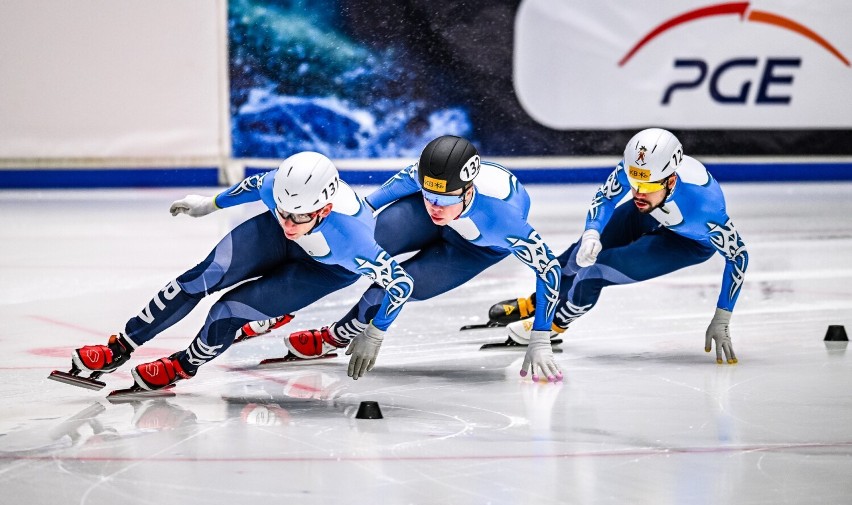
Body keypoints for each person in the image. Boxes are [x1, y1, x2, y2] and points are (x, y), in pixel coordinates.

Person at [66, 151, 414, 392]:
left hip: (324, 269)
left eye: (299, 217)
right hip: (276, 240)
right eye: (283, 211)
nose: (290, 223)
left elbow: (400, 283)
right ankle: (120, 347)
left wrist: (376, 331)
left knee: (226, 312)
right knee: (201, 277)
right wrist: (209, 204)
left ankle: (183, 365)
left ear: (323, 210)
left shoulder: (353, 239)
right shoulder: (281, 191)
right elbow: (251, 186)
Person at [254, 135, 564, 382]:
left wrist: (540, 337)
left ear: (468, 190)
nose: (435, 206)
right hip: (422, 221)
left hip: (471, 249)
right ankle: (278, 304)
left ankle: (334, 336)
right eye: (429, 195)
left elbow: (549, 269)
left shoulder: (502, 218)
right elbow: (386, 196)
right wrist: (362, 213)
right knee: (359, 242)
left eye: (443, 199)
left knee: (386, 291)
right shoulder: (432, 184)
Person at [488, 128, 748, 364]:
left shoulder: (704, 209)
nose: (637, 194)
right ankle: (538, 302)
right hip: (653, 212)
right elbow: (606, 197)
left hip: (686, 242)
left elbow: (738, 256)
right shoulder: (639, 169)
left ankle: (556, 325)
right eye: (634, 185)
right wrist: (592, 233)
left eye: (646, 186)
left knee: (596, 272)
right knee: (580, 253)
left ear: (670, 181)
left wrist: (722, 318)